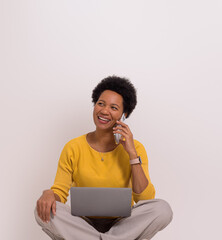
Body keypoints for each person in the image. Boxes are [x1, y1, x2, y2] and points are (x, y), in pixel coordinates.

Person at [34, 76, 173, 240]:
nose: (104, 111)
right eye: (101, 104)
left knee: (162, 209)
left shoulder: (135, 148)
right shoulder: (73, 147)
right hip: (82, 223)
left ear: (124, 115)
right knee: (42, 210)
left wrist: (132, 154)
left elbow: (145, 199)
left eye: (114, 107)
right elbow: (60, 192)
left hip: (122, 224)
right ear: (94, 105)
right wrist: (49, 194)